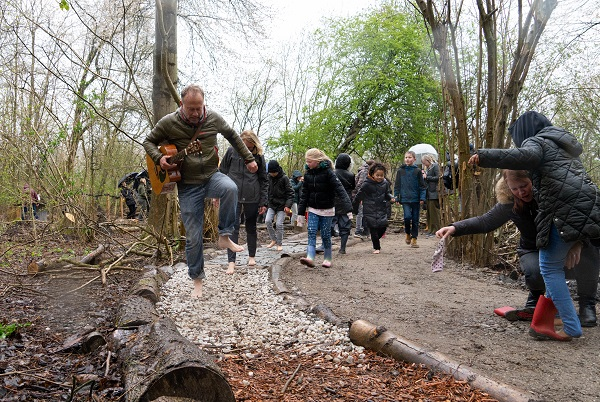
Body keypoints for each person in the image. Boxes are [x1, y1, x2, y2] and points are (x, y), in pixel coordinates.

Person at [468, 110, 600, 341]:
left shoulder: (537, 142)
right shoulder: (563, 145)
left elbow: (522, 156)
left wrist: (483, 156)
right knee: (551, 266)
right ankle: (543, 320)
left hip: (563, 212)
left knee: (549, 268)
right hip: (584, 210)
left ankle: (571, 326)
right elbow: (487, 220)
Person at [436, 169, 598, 327]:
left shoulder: (552, 196)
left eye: (524, 186)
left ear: (532, 181)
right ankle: (536, 296)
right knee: (535, 270)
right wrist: (455, 228)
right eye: (515, 188)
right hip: (534, 250)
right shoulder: (510, 202)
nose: (521, 192)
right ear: (508, 187)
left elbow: (586, 219)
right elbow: (486, 221)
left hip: (566, 246)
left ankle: (587, 304)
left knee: (589, 253)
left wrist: (579, 242)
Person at [143, 84, 258, 299]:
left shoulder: (213, 118)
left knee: (231, 188)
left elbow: (233, 136)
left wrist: (249, 159)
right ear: (181, 105)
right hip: (187, 185)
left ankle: (224, 235)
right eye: (191, 109)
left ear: (204, 104)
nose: (196, 113)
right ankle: (197, 279)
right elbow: (148, 141)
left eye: (199, 108)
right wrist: (160, 158)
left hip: (211, 176)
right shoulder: (169, 122)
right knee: (194, 237)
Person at [219, 129, 268, 274]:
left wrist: (263, 202)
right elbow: (222, 172)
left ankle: (251, 256)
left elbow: (264, 179)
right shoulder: (231, 152)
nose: (247, 149)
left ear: (254, 145)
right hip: (232, 194)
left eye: (249, 147)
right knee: (232, 227)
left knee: (251, 226)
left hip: (252, 195)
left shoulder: (259, 156)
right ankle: (231, 262)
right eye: (244, 146)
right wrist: (218, 194)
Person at [297, 148, 352, 268]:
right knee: (311, 231)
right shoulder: (308, 175)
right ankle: (310, 257)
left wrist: (348, 208)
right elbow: (304, 195)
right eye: (306, 161)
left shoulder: (329, 173)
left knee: (326, 234)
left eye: (309, 161)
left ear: (317, 161)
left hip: (327, 210)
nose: (307, 164)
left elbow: (340, 190)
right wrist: (300, 214)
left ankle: (327, 258)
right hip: (313, 209)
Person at [352, 163, 395, 254]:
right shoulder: (366, 184)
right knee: (374, 229)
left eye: (381, 175)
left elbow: (387, 194)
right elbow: (358, 196)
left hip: (381, 208)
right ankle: (377, 247)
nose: (379, 177)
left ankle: (374, 239)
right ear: (372, 174)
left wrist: (391, 198)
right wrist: (354, 208)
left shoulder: (385, 183)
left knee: (383, 226)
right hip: (369, 209)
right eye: (377, 175)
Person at [394, 150, 426, 248]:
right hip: (405, 199)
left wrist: (422, 197)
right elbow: (397, 186)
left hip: (416, 198)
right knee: (407, 217)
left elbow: (422, 186)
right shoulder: (400, 171)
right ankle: (408, 233)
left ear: (414, 159)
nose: (408, 159)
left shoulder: (417, 171)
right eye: (406, 157)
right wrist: (396, 197)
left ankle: (414, 239)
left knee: (415, 219)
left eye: (410, 157)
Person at [265, 160, 294, 252]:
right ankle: (274, 239)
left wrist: (288, 205)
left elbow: (290, 193)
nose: (272, 174)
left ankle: (279, 243)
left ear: (277, 170)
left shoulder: (284, 178)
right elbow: (266, 190)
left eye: (274, 172)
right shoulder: (268, 177)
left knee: (279, 224)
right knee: (268, 221)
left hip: (282, 206)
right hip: (272, 204)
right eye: (271, 172)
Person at [333, 153, 356, 254]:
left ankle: (325, 245)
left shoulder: (332, 173)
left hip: (332, 202)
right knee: (345, 226)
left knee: (329, 224)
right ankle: (342, 248)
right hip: (346, 203)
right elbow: (353, 188)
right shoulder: (351, 175)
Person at [353, 159, 375, 238]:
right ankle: (358, 231)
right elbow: (360, 185)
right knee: (360, 213)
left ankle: (363, 230)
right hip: (361, 196)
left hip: (364, 196)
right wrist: (361, 197)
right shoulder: (365, 172)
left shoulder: (366, 171)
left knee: (363, 213)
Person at [421, 154, 441, 237]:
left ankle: (435, 230)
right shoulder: (428, 168)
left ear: (428, 160)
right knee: (429, 213)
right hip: (429, 193)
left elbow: (438, 177)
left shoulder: (435, 166)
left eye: (424, 162)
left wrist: (427, 177)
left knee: (434, 213)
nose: (424, 164)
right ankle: (430, 229)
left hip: (434, 193)